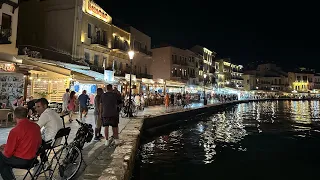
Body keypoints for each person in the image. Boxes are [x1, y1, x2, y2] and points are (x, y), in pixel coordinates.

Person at [0, 107, 42, 180]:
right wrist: (6, 146)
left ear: (14, 116)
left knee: (1, 158)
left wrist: (3, 150)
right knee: (3, 161)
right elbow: (37, 142)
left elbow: (8, 153)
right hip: (33, 159)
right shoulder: (36, 126)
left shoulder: (15, 131)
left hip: (22, 161)